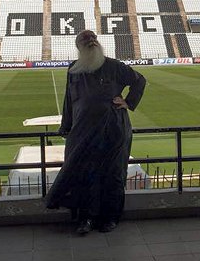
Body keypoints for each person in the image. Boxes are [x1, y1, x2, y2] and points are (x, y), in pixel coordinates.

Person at [45, 29, 146, 235]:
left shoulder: (114, 66)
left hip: (113, 130)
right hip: (82, 131)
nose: (91, 41)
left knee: (113, 174)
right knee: (85, 175)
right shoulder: (73, 69)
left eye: (93, 38)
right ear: (78, 46)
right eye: (85, 39)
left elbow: (139, 80)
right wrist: (66, 126)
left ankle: (110, 218)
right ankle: (87, 218)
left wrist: (128, 102)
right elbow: (69, 101)